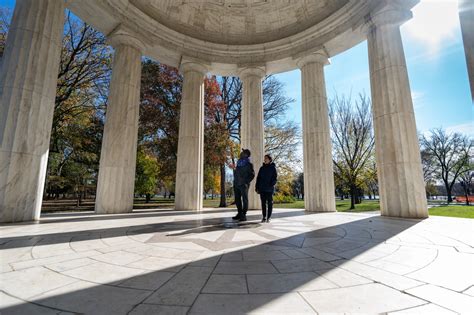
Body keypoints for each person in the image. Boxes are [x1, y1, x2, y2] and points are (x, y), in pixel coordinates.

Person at [230, 149, 255, 221]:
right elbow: (237, 173)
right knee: (237, 199)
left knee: (245, 199)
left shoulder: (249, 164)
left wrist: (245, 182)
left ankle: (244, 214)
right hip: (236, 184)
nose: (240, 153)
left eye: (242, 152)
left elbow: (252, 175)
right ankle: (239, 213)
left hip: (244, 185)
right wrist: (234, 170)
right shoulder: (239, 163)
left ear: (246, 154)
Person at [255, 154, 277, 223]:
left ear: (270, 159)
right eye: (264, 158)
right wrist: (257, 187)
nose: (265, 159)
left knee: (270, 203)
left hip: (269, 189)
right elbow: (258, 178)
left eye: (266, 158)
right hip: (262, 188)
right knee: (263, 203)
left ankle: (269, 217)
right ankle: (264, 217)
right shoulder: (262, 168)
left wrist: (271, 184)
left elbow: (275, 178)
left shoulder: (273, 168)